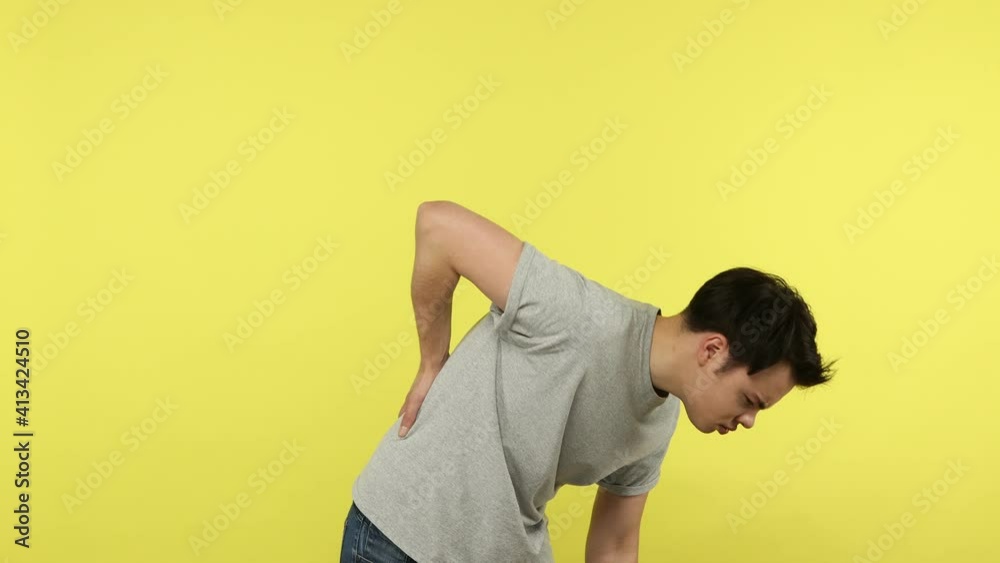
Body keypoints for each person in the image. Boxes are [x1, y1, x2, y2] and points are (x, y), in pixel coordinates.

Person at [341, 200, 837, 563]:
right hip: (398, 537)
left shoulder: (660, 420)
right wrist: (432, 363)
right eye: (751, 401)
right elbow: (438, 226)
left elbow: (615, 545)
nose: (749, 421)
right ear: (712, 350)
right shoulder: (577, 315)